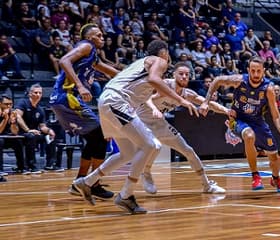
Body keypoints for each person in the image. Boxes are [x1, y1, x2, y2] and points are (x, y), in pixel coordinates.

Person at [72, 40, 199, 214]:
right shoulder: (159, 61)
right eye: (167, 54)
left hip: (109, 101)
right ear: (164, 53)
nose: (168, 58)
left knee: (128, 153)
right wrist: (181, 100)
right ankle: (126, 195)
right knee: (150, 144)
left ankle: (86, 181)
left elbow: (123, 78)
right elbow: (154, 79)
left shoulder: (139, 65)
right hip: (117, 101)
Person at [199, 56, 280, 193]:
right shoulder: (239, 81)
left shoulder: (268, 89)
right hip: (237, 119)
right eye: (253, 71)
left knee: (274, 157)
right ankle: (255, 175)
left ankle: (276, 178)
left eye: (258, 71)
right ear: (248, 70)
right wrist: (206, 101)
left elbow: (276, 116)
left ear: (264, 71)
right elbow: (217, 80)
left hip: (257, 121)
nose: (255, 74)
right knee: (249, 136)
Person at [49, 23, 119, 199]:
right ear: (89, 38)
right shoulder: (85, 46)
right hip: (68, 97)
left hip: (63, 100)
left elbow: (109, 70)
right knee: (102, 136)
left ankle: (81, 182)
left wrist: (133, 75)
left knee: (95, 140)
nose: (102, 38)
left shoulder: (92, 55)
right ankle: (91, 184)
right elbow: (63, 60)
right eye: (99, 35)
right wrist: (80, 86)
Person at [137, 62, 227, 194]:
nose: (184, 77)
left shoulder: (187, 93)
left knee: (188, 150)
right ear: (174, 74)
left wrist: (227, 111)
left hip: (159, 123)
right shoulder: (164, 84)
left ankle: (207, 185)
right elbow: (146, 97)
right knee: (155, 146)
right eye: (181, 74)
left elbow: (208, 103)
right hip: (141, 121)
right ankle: (146, 173)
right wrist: (154, 108)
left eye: (187, 74)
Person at [15, 84, 58, 173]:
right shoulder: (23, 103)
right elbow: (18, 117)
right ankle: (31, 166)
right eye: (36, 92)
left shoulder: (40, 109)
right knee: (31, 136)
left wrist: (49, 131)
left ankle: (50, 164)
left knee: (50, 137)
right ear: (30, 94)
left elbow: (42, 127)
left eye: (40, 93)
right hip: (21, 133)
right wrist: (28, 130)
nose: (38, 95)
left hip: (34, 133)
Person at [0, 94, 25, 174]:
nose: (9, 106)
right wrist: (5, 119)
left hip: (6, 138)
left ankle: (21, 168)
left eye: (10, 104)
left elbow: (15, 132)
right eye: (6, 104)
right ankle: (0, 170)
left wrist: (13, 123)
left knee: (18, 140)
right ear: (0, 104)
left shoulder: (12, 112)